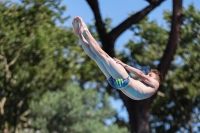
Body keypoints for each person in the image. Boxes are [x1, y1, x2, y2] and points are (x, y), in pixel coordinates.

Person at [72, 16, 163, 100]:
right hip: (115, 83)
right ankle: (79, 34)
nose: (147, 75)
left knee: (103, 56)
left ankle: (85, 31)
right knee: (97, 58)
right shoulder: (147, 91)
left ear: (156, 79)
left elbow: (140, 74)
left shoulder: (156, 84)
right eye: (148, 74)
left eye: (150, 75)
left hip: (123, 81)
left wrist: (124, 65)